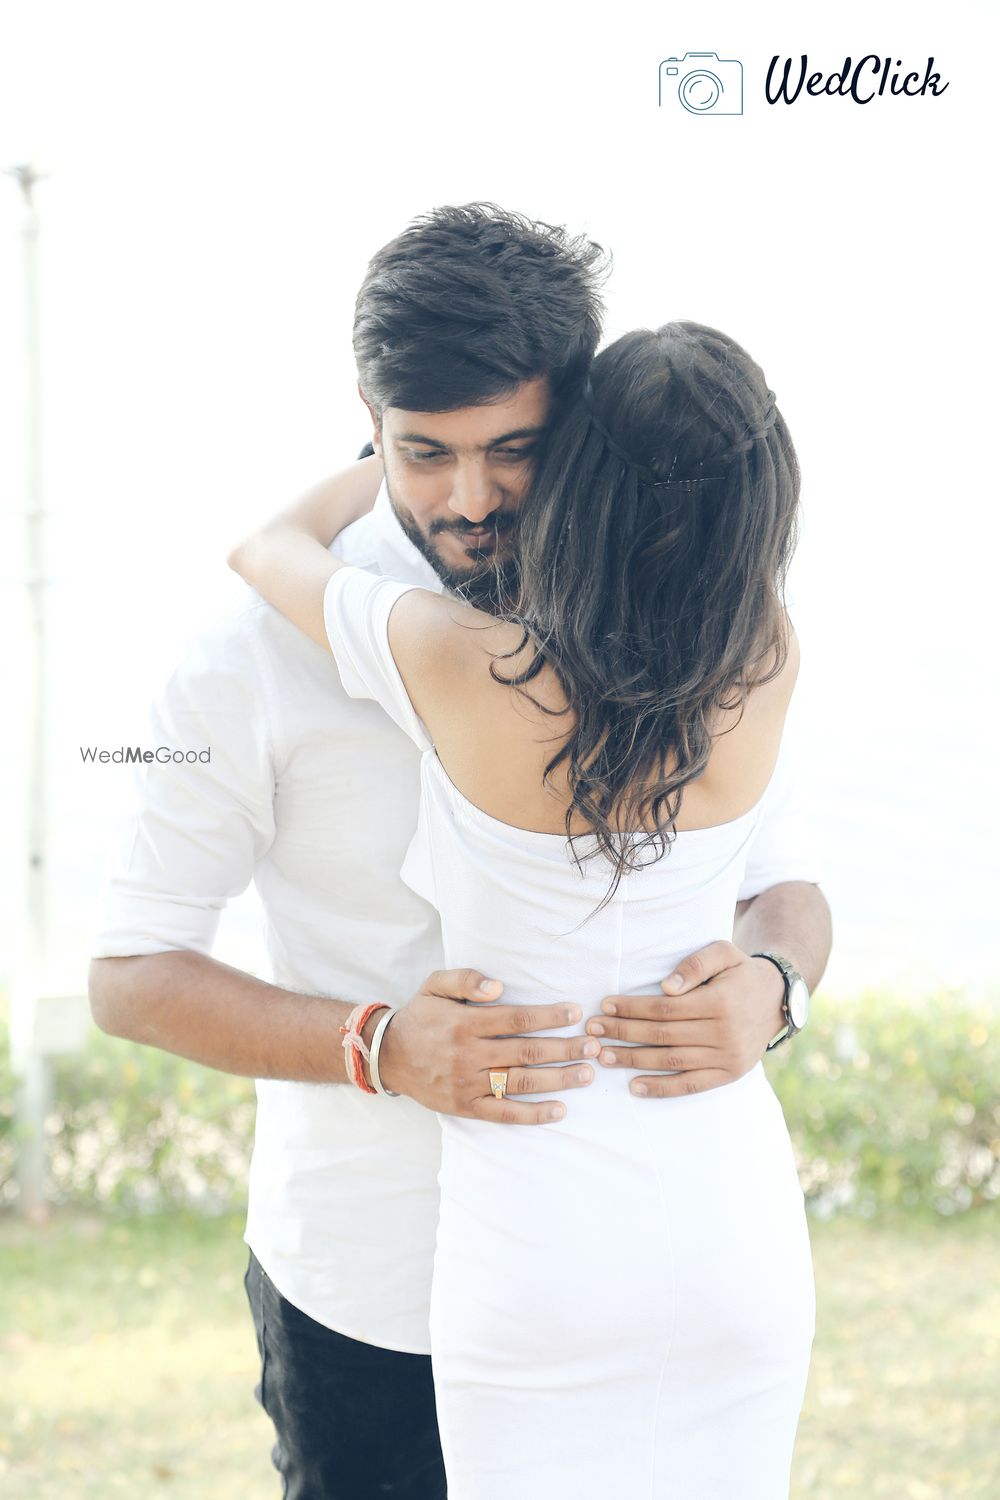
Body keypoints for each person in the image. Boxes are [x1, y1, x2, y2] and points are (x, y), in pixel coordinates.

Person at [89, 204, 830, 1500]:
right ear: (367, 420)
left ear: (581, 425)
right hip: (368, 1296)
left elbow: (782, 885)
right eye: (422, 452)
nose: (470, 500)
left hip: (638, 1278)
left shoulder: (680, 621)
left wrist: (776, 991)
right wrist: (374, 1044)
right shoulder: (242, 655)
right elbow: (129, 975)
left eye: (512, 451)